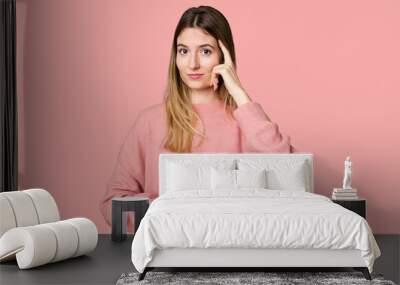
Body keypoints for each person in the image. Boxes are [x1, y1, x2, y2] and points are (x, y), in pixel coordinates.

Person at [99, 6, 295, 227]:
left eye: (205, 51)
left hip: (233, 248)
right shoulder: (149, 122)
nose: (192, 64)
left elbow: (290, 175)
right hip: (166, 250)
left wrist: (239, 92)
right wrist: (167, 216)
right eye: (183, 51)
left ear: (224, 56)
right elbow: (112, 205)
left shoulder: (246, 119)